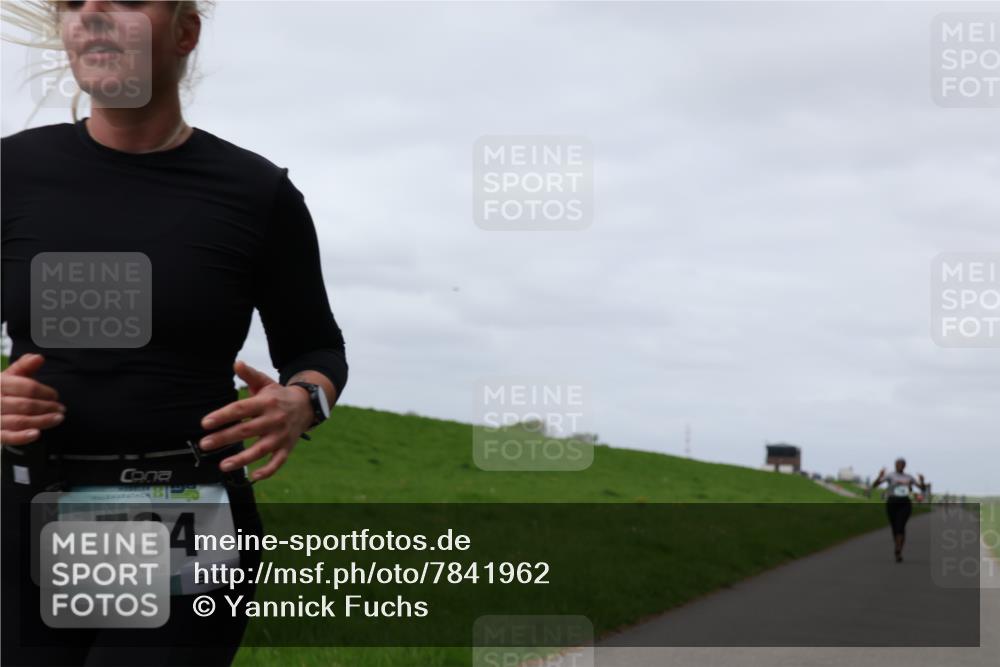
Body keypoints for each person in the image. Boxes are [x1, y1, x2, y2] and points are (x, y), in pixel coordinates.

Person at [1, 2, 347, 665]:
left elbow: (316, 346)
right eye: (74, 2)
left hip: (185, 518)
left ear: (185, 32)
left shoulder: (257, 194)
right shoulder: (10, 173)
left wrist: (304, 401)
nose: (93, 12)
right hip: (25, 512)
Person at [871, 458, 926, 563]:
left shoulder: (909, 477)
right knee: (895, 527)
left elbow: (922, 488)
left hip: (905, 503)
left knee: (900, 525)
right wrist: (880, 476)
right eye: (897, 464)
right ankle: (898, 546)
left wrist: (922, 480)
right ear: (895, 465)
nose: (899, 466)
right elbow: (875, 485)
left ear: (905, 466)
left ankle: (898, 550)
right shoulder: (890, 476)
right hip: (892, 502)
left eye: (901, 464)